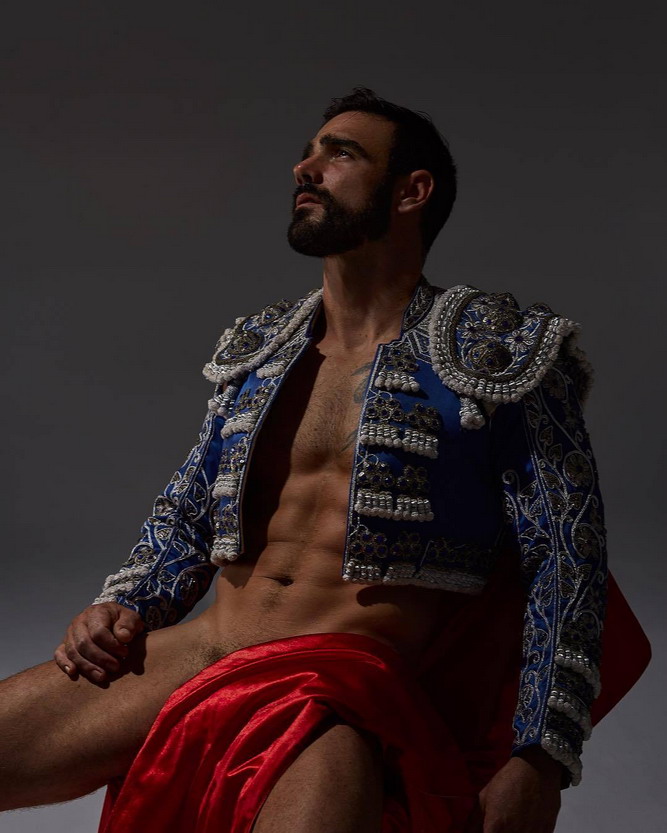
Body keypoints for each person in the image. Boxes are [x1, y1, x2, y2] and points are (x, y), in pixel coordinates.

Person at [0, 88, 650, 833]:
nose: (304, 169)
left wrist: (541, 758)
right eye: (309, 153)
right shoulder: (263, 346)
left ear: (411, 192)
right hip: (205, 650)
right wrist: (128, 602)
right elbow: (189, 512)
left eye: (340, 154)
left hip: (343, 686)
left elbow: (565, 561)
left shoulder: (497, 352)